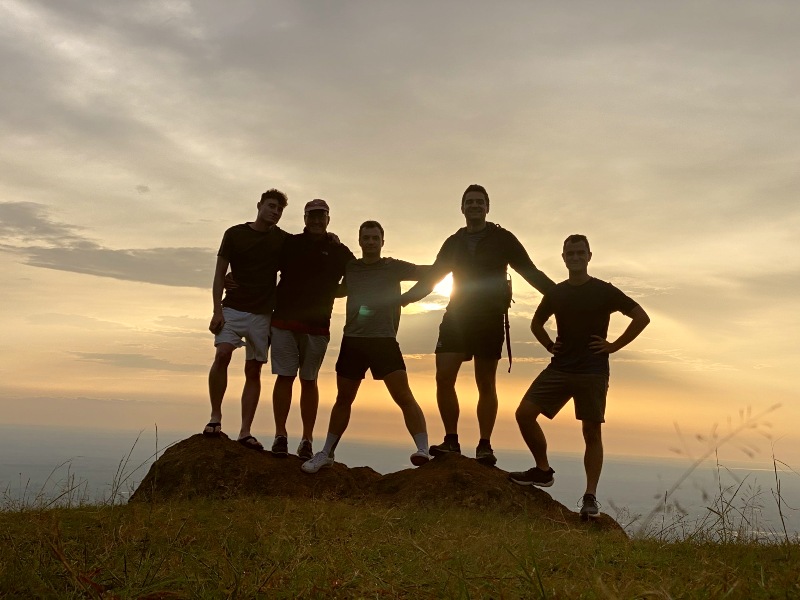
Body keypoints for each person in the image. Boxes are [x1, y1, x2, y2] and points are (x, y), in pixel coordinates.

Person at [400, 184, 555, 466]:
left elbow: (530, 271)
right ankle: (451, 440)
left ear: (487, 207)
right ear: (461, 208)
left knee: (485, 382)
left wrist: (560, 296)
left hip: (489, 317)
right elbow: (434, 276)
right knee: (444, 377)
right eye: (469, 202)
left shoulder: (503, 239)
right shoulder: (453, 242)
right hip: (457, 315)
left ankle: (485, 445)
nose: (474, 206)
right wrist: (403, 300)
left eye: (479, 202)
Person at [509, 234, 650, 520]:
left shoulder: (604, 291)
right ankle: (543, 470)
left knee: (591, 432)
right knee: (524, 413)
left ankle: (590, 496)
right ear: (563, 257)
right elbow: (536, 323)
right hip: (560, 367)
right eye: (570, 253)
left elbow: (641, 317)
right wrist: (549, 345)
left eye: (579, 253)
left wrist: (613, 346)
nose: (574, 257)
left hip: (593, 370)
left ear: (589, 256)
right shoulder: (557, 293)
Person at [301, 221, 431, 473]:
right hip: (353, 340)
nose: (370, 242)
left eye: (375, 238)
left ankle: (422, 450)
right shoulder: (351, 267)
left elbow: (433, 274)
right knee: (344, 399)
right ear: (359, 241)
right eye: (366, 238)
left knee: (403, 396)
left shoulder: (393, 267)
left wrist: (406, 299)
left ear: (383, 241)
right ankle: (326, 453)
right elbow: (336, 288)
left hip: (383, 339)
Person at [269, 199, 355, 460]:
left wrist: (332, 292)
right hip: (284, 320)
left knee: (309, 380)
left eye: (321, 216)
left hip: (317, 325)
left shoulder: (339, 250)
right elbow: (264, 266)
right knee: (285, 377)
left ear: (329, 219)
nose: (317, 221)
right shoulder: (290, 243)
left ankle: (307, 439)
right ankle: (280, 436)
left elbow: (356, 277)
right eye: (312, 216)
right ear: (304, 218)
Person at [203, 189, 288, 451]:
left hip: (263, 313)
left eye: (279, 209)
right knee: (223, 355)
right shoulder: (235, 234)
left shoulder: (283, 240)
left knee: (254, 369)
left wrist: (330, 237)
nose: (275, 212)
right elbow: (219, 273)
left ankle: (245, 431)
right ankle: (215, 418)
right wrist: (217, 310)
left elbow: (304, 253)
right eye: (271, 206)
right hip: (233, 308)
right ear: (260, 205)